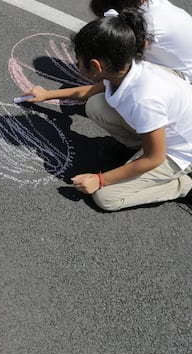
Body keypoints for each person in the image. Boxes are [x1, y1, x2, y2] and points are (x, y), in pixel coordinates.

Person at [24, 9, 192, 211]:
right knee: (96, 105)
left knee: (106, 197)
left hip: (179, 153)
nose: (77, 65)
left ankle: (184, 186)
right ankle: (133, 148)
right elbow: (88, 92)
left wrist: (100, 180)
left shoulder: (144, 99)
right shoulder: (125, 69)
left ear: (95, 66)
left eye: (79, 62)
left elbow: (154, 157)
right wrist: (47, 94)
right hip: (166, 133)